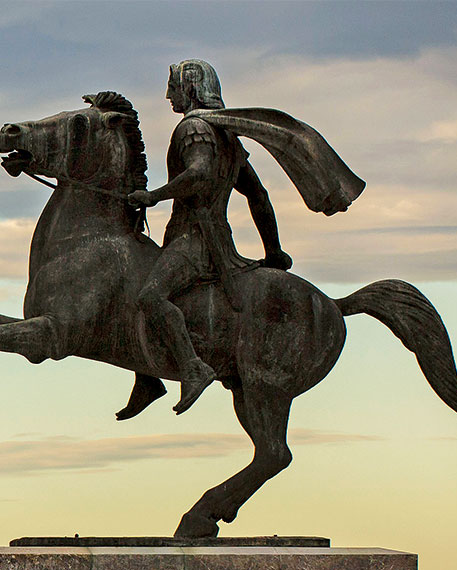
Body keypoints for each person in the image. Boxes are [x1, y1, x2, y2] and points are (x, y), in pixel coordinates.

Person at [126, 59, 362, 416]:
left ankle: (192, 369)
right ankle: (148, 380)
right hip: (214, 239)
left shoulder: (193, 128)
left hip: (194, 242)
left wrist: (155, 195)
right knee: (133, 288)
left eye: (173, 86)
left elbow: (200, 172)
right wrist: (274, 250)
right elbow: (258, 195)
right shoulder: (227, 137)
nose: (167, 95)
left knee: (149, 296)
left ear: (189, 88)